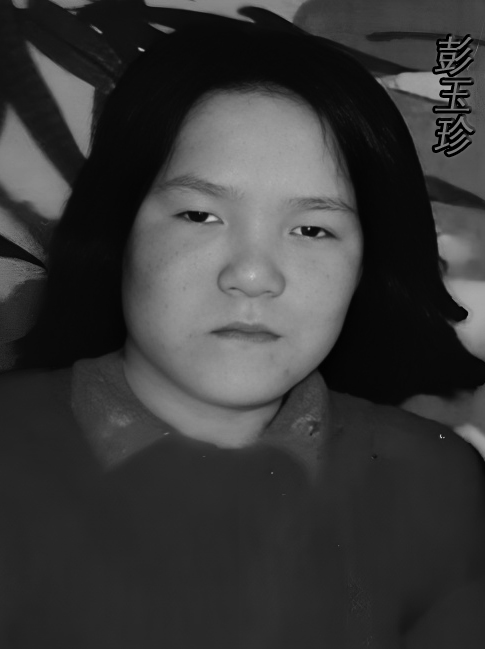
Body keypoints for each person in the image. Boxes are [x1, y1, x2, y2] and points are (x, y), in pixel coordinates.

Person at [2, 13, 485, 649]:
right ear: (118, 228)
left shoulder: (437, 482)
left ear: (367, 265)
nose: (253, 275)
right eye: (200, 215)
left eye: (312, 229)